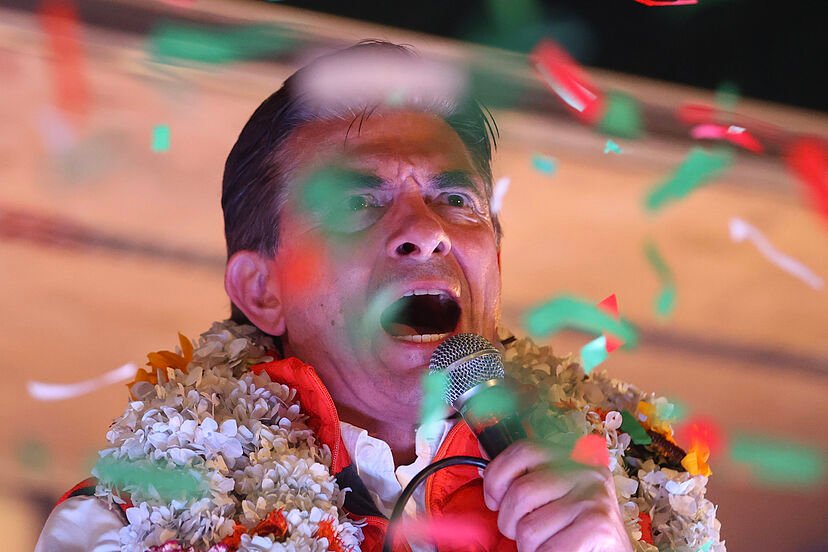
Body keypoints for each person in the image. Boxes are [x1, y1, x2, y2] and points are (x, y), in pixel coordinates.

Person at [36, 41, 711, 552]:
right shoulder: (127, 521)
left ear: (495, 266)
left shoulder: (643, 499)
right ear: (263, 290)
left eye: (455, 198)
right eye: (359, 203)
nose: (426, 230)